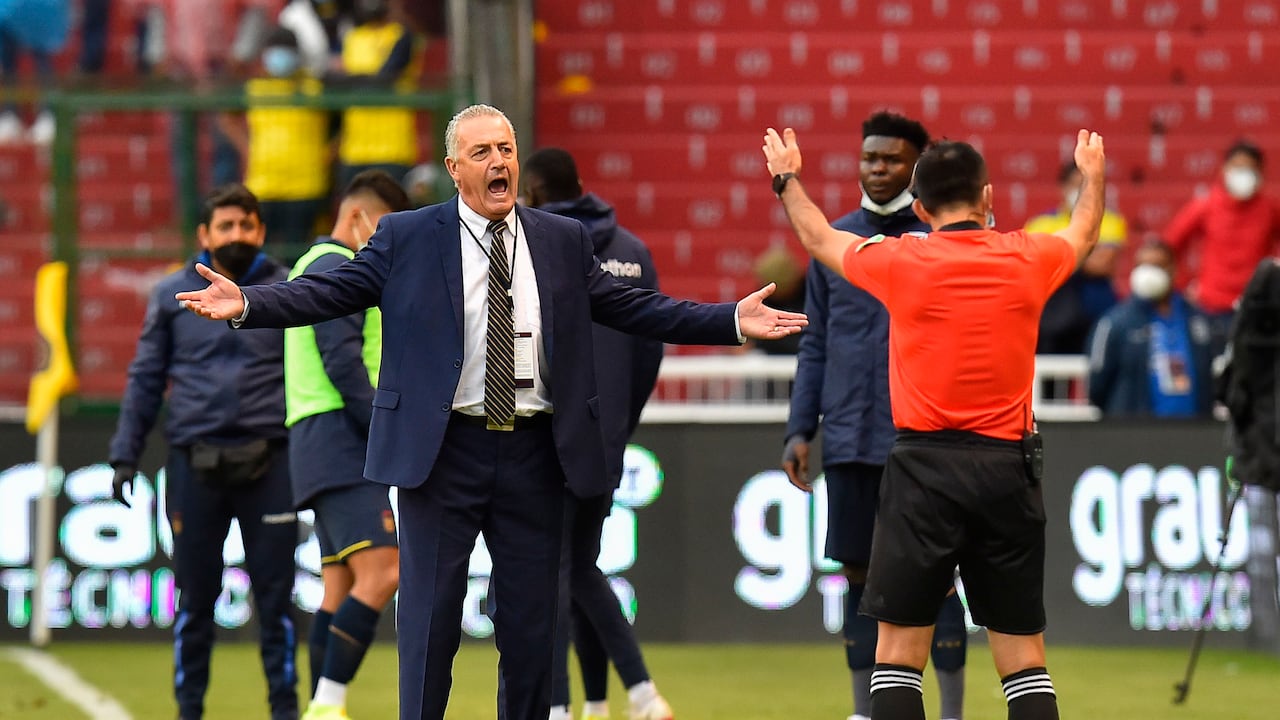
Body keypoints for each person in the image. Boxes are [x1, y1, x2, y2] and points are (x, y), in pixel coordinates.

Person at [173, 103, 807, 720]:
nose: (499, 161)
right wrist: (252, 303)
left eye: (506, 149)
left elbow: (631, 306)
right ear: (455, 168)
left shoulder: (561, 239)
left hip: (537, 451)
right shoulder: (408, 236)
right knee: (430, 625)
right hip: (442, 451)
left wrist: (727, 318)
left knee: (533, 631)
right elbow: (330, 291)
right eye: (483, 152)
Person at [764, 125, 1106, 720]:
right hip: (1008, 469)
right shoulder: (1029, 255)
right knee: (1024, 659)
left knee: (896, 655)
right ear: (989, 197)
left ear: (919, 208)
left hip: (922, 470)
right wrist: (1093, 176)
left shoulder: (901, 259)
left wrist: (788, 178)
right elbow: (1083, 230)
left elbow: (819, 238)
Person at [781, 111, 966, 720]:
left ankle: (952, 712)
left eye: (891, 159)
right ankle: (865, 713)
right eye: (870, 158)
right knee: (859, 577)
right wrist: (801, 427)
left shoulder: (939, 240)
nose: (878, 169)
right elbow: (816, 341)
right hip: (854, 437)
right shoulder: (835, 240)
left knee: (937, 577)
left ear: (918, 164)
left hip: (924, 440)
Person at [107, 184, 299, 720]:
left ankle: (285, 710)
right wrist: (125, 453)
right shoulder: (171, 295)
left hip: (272, 462)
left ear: (260, 230)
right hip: (195, 464)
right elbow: (145, 378)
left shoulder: (288, 290)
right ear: (204, 235)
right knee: (194, 603)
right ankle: (188, 710)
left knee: (277, 604)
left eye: (246, 226)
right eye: (226, 226)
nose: (236, 236)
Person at [521, 147, 672, 720]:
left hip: (551, 436)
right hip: (606, 439)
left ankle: (561, 705)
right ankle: (624, 697)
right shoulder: (632, 251)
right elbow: (651, 351)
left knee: (554, 569)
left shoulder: (541, 248)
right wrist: (617, 428)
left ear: (532, 191)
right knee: (581, 566)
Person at [287, 171, 410, 720]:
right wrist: (383, 429)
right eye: (384, 230)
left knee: (338, 588)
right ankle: (327, 704)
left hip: (315, 436)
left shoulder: (307, 265)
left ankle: (322, 704)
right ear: (359, 218)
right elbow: (341, 359)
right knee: (385, 571)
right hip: (341, 436)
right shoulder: (338, 266)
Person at [220, 25, 332, 256]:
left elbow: (345, 123)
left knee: (300, 256)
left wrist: (328, 154)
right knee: (259, 256)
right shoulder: (255, 89)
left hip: (305, 187)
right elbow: (227, 118)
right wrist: (246, 147)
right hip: (263, 186)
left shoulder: (315, 89)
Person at [1164, 139, 1280, 355]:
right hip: (1212, 307)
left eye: (1249, 168)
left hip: (1255, 307)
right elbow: (1171, 244)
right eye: (1237, 167)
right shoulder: (1206, 206)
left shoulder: (1270, 210)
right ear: (1224, 169)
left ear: (1260, 172)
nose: (1243, 173)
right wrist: (1184, 283)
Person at [1087, 241, 1214, 418]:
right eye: (1142, 266)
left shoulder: (1198, 320)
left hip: (1193, 431)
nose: (1147, 273)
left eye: (1156, 266)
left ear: (1172, 269)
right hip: (1135, 435)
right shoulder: (1114, 323)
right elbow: (1097, 386)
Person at [1028, 161, 1128, 355]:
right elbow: (1036, 265)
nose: (1080, 190)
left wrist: (1059, 253)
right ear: (1063, 187)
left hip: (1098, 309)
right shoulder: (1040, 223)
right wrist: (1088, 250)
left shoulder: (1111, 221)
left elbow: (1103, 264)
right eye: (1075, 184)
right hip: (1054, 315)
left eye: (1086, 185)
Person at [331, 0, 425, 189]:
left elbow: (388, 76)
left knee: (392, 214)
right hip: (354, 148)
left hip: (393, 148)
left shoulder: (402, 36)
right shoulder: (352, 38)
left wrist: (355, 79)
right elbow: (336, 79)